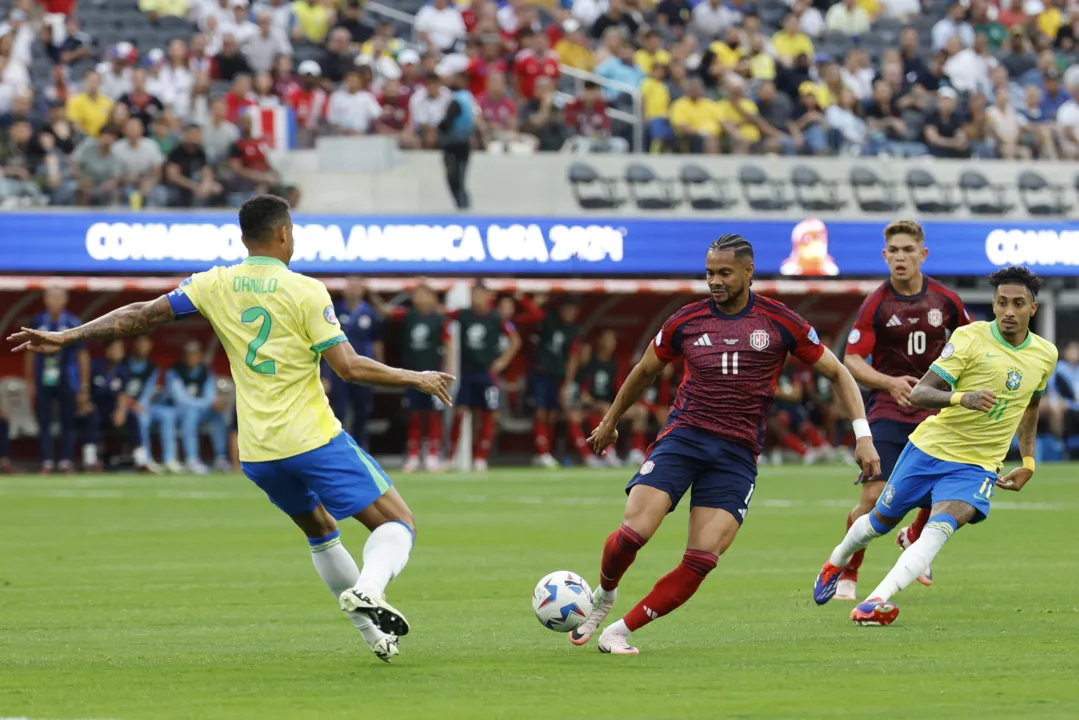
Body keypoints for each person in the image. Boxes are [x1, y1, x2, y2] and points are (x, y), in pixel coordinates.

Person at [8, 195, 454, 664]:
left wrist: (69, 334)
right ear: (284, 233)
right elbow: (348, 367)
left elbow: (138, 315)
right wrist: (415, 376)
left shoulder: (215, 283)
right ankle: (369, 587)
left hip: (259, 452)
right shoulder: (305, 290)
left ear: (244, 239)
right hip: (311, 438)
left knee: (322, 531)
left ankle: (372, 636)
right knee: (397, 522)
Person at [575, 234, 880, 654]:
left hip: (736, 456)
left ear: (748, 272)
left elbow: (839, 373)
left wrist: (863, 438)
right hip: (683, 439)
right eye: (709, 273)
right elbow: (644, 371)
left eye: (723, 273)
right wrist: (610, 422)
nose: (714, 281)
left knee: (701, 560)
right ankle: (605, 594)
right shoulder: (686, 320)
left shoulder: (779, 321)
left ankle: (618, 632)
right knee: (633, 533)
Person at [814, 266, 1057, 626]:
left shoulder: (1045, 354)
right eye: (1002, 302)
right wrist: (963, 398)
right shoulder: (971, 338)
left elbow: (1032, 406)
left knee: (939, 529)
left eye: (1018, 304)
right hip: (930, 450)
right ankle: (836, 559)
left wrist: (1029, 461)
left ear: (1033, 308)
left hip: (977, 466)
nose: (1009, 311)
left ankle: (875, 600)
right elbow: (920, 393)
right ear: (993, 303)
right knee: (878, 522)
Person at [835, 220, 971, 600]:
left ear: (922, 254)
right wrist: (889, 382)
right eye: (893, 250)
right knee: (873, 500)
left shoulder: (945, 300)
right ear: (885, 256)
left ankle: (914, 536)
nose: (900, 256)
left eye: (907, 250)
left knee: (937, 488)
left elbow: (971, 344)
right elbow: (852, 359)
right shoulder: (877, 303)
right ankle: (849, 571)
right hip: (889, 410)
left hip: (933, 411)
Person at [447, 283, 520, 471]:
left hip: (486, 374)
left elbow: (515, 340)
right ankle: (451, 456)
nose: (476, 298)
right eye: (474, 294)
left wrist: (502, 362)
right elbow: (442, 315)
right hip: (467, 372)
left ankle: (481, 458)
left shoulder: (496, 318)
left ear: (488, 296)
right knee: (460, 411)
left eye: (480, 294)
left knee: (488, 414)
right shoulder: (463, 314)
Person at [378, 283, 448, 472]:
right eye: (417, 294)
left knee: (434, 415)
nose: (420, 298)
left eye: (425, 294)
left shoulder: (440, 318)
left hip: (434, 375)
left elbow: (448, 346)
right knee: (415, 416)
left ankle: (432, 453)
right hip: (412, 375)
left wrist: (448, 372)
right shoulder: (408, 315)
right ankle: (414, 454)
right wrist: (372, 293)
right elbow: (385, 311)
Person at [26, 287, 89, 474]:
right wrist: (30, 380)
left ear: (65, 300)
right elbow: (29, 352)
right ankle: (46, 461)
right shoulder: (38, 321)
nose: (55, 301)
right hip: (43, 378)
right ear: (46, 300)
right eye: (51, 297)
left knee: (68, 421)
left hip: (67, 378)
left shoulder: (73, 322)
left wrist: (84, 386)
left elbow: (82, 355)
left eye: (58, 297)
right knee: (44, 420)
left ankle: (66, 461)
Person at [528, 296, 582, 469]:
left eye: (573, 311)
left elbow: (573, 358)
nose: (570, 313)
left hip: (556, 377)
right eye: (567, 309)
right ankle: (541, 452)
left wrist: (567, 383)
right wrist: (532, 300)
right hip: (540, 373)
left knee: (552, 415)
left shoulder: (573, 331)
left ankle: (546, 451)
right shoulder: (548, 321)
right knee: (540, 412)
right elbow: (533, 315)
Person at [329, 278, 383, 449]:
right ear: (344, 290)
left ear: (362, 291)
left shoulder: (370, 313)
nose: (353, 291)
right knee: (339, 411)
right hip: (338, 370)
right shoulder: (335, 311)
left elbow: (377, 342)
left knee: (362, 411)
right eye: (350, 288)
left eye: (356, 288)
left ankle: (360, 447)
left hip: (364, 370)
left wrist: (380, 369)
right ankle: (338, 448)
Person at [77, 338, 140, 471]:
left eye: (121, 349)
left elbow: (123, 394)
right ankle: (90, 459)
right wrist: (84, 402)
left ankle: (141, 457)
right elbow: (83, 387)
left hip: (112, 410)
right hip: (95, 407)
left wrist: (121, 411)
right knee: (91, 415)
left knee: (132, 416)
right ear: (107, 351)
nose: (119, 352)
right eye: (116, 348)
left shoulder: (124, 370)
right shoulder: (95, 366)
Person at [168, 341, 229, 474]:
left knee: (217, 415)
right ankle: (191, 458)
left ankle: (220, 458)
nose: (192, 357)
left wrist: (213, 403)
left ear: (200, 356)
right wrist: (206, 403)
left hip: (200, 410)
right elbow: (180, 399)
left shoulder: (206, 371)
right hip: (178, 411)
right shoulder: (174, 371)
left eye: (195, 354)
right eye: (188, 355)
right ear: (183, 356)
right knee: (191, 414)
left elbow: (210, 395)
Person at [124, 334, 172, 472]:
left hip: (145, 405)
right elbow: (119, 389)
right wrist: (133, 404)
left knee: (167, 415)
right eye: (140, 343)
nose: (143, 346)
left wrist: (142, 404)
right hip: (127, 406)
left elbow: (148, 391)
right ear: (133, 345)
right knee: (142, 418)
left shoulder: (153, 367)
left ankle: (169, 459)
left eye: (146, 343)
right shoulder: (124, 363)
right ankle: (146, 459)